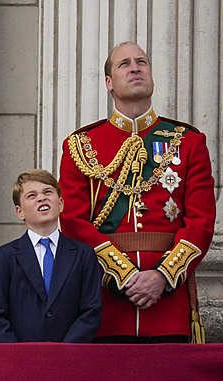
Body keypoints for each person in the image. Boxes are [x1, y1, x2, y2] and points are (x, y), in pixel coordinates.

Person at [59, 42, 216, 343]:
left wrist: (162, 277)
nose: (135, 68)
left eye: (141, 62)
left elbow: (202, 222)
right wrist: (125, 276)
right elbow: (74, 223)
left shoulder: (189, 142)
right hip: (105, 306)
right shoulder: (81, 145)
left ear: (152, 76)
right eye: (124, 64)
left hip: (168, 306)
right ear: (109, 83)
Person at [0, 170, 101, 343]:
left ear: (60, 203)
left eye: (47, 192)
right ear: (20, 212)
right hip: (20, 358)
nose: (41, 198)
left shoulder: (83, 254)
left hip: (70, 356)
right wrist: (17, 354)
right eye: (32, 195)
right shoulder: (5, 256)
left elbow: (91, 310)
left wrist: (65, 351)